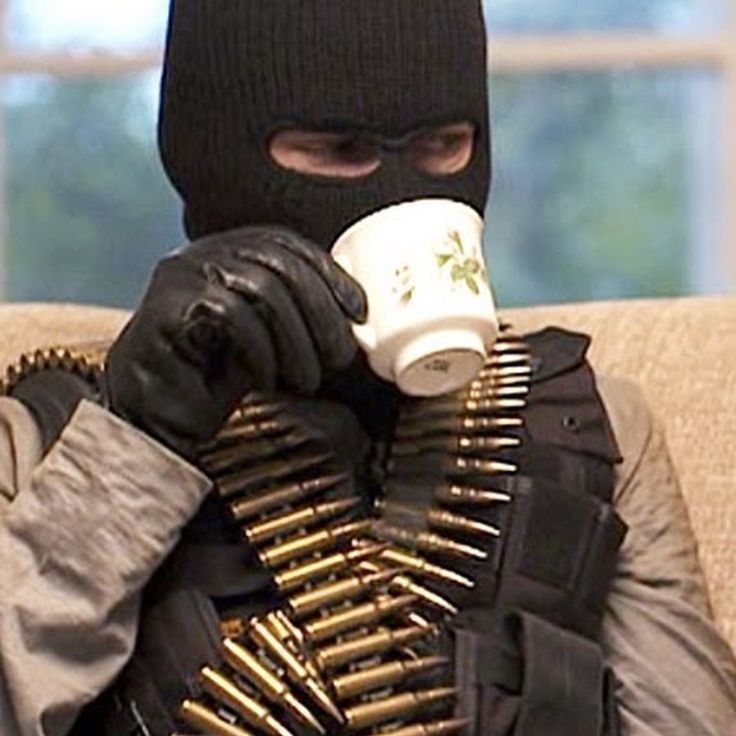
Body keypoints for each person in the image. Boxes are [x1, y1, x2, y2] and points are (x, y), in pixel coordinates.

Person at [1, 1, 735, 735]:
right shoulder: (49, 433)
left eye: (443, 146)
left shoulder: (591, 423)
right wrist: (133, 441)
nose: (398, 189)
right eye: (337, 150)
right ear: (211, 156)